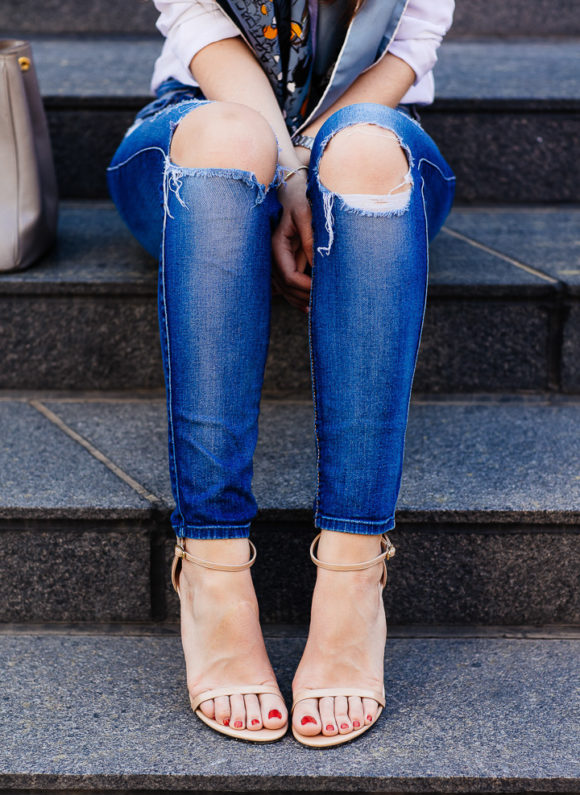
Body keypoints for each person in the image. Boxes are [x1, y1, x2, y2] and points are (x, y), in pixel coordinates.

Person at [107, 0, 456, 748]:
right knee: (228, 136)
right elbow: (204, 33)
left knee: (360, 152)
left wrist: (313, 172)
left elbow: (409, 44)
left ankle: (355, 572)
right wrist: (288, 178)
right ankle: (212, 567)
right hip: (199, 125)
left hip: (370, 129)